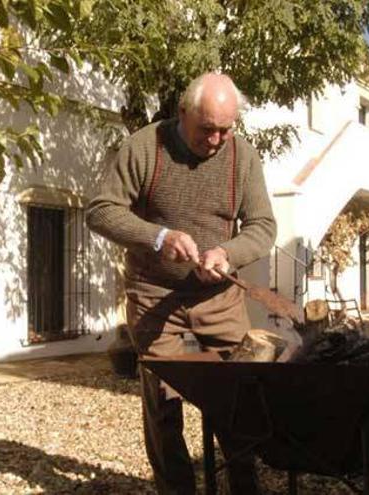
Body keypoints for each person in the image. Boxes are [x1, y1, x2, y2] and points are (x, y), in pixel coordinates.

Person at [86, 72, 276, 494]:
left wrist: (227, 254)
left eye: (226, 129)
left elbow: (263, 226)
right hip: (154, 295)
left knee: (237, 399)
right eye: (206, 129)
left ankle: (244, 487)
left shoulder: (242, 157)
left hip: (219, 299)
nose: (216, 140)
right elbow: (100, 211)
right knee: (164, 407)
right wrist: (158, 238)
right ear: (182, 113)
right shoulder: (145, 146)